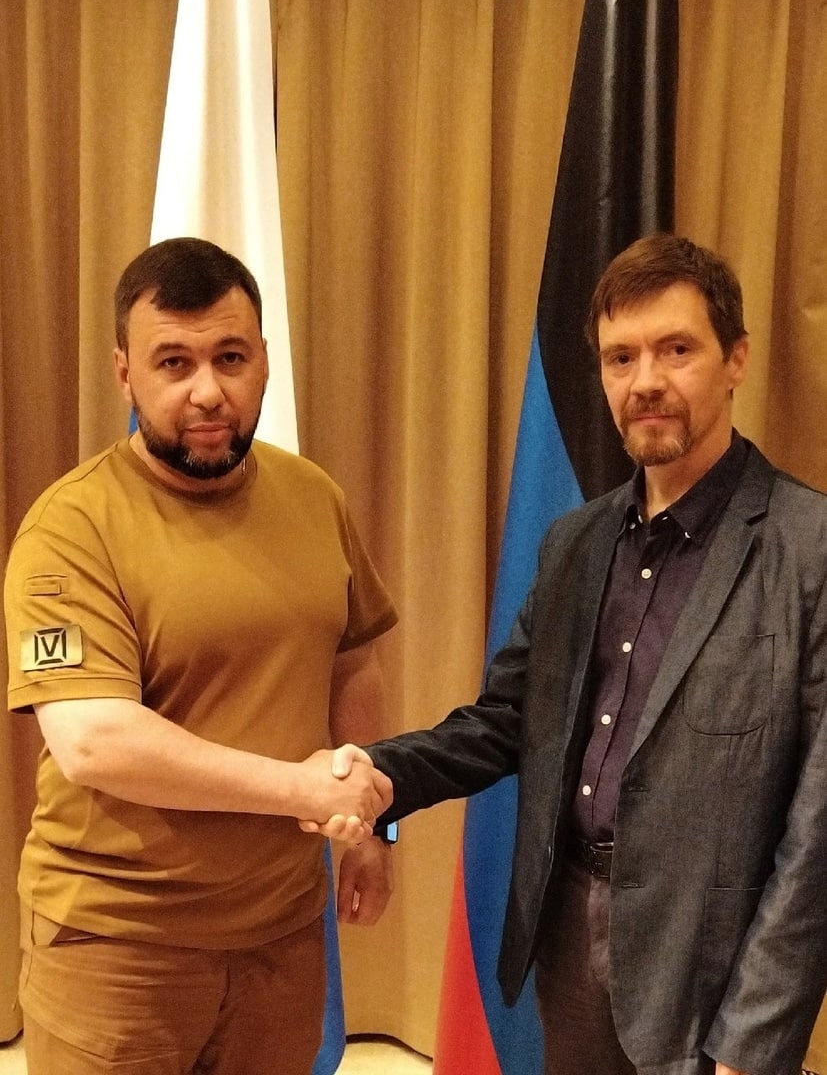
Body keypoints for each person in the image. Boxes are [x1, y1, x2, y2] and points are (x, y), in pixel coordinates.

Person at [317, 234, 827, 1075]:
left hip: (714, 975)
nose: (645, 381)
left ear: (735, 359)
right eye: (620, 357)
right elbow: (503, 721)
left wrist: (751, 1037)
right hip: (569, 944)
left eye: (675, 349)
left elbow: (817, 830)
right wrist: (380, 773)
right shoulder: (574, 544)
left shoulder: (809, 548)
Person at [4, 236, 397, 1075]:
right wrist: (300, 789)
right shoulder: (70, 529)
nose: (208, 391)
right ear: (125, 375)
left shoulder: (312, 496)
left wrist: (371, 829)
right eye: (173, 363)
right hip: (117, 947)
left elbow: (351, 665)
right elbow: (96, 741)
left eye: (230, 357)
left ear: (264, 361)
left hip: (281, 937)